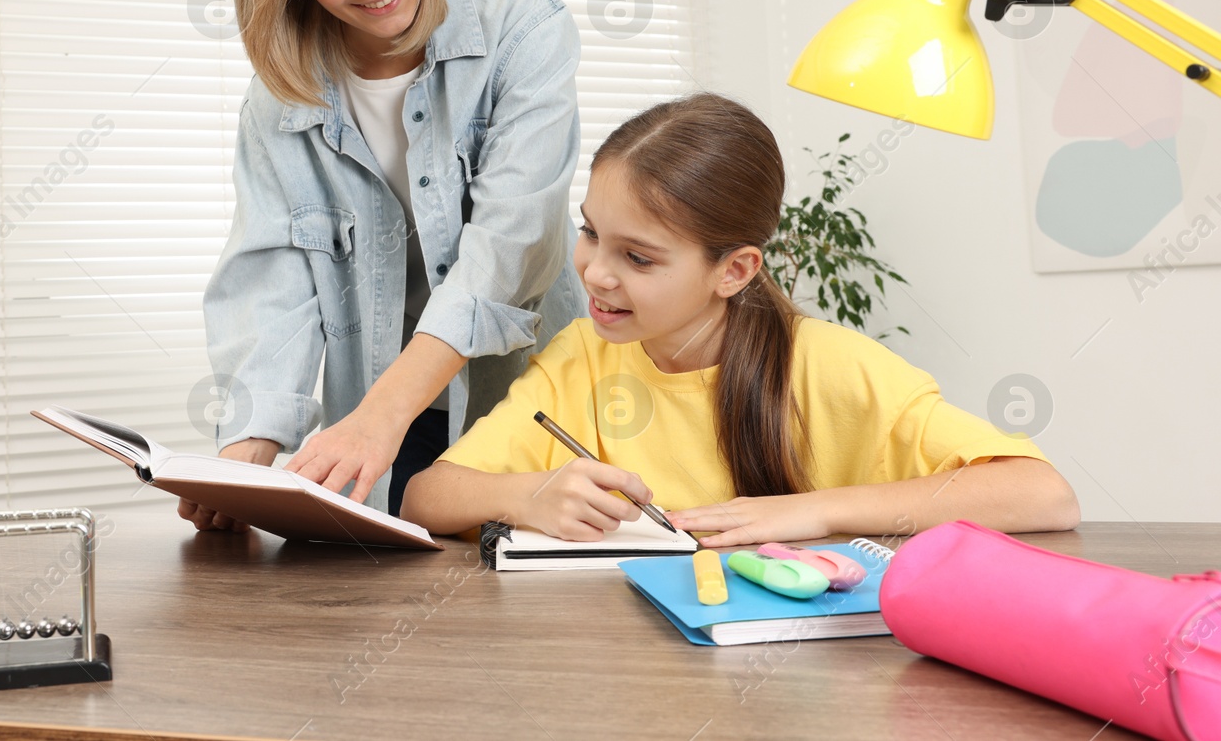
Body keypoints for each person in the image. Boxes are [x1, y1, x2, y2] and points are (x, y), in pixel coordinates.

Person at [399, 93, 1080, 545]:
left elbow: (1044, 494)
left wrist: (812, 509)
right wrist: (530, 493)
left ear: (735, 270)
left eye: (637, 256)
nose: (595, 272)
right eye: (590, 233)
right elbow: (426, 497)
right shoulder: (583, 353)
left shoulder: (825, 365)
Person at [182, 0, 586, 526]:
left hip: (527, 402)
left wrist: (380, 416)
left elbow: (508, 251)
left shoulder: (523, 32)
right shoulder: (280, 99)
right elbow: (269, 286)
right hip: (382, 422)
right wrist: (245, 456)